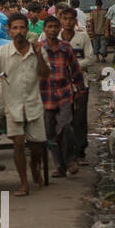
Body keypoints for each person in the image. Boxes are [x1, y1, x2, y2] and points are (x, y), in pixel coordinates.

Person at [0, 12, 50, 197]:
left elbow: (45, 74)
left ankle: (35, 168)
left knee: (37, 147)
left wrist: (39, 54)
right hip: (13, 105)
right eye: (15, 28)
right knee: (18, 143)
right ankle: (24, 183)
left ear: (27, 30)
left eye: (22, 27)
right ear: (9, 31)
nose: (19, 31)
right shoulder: (2, 52)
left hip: (33, 104)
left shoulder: (37, 51)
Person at [35, 15, 83, 178]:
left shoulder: (66, 48)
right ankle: (59, 165)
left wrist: (80, 89)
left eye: (55, 27)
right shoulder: (38, 49)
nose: (53, 30)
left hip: (64, 93)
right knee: (50, 133)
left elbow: (75, 70)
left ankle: (70, 160)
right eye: (49, 27)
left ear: (59, 28)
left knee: (65, 126)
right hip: (45, 94)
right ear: (44, 29)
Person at [59, 7, 96, 168]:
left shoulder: (83, 37)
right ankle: (65, 154)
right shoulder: (54, 37)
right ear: (60, 20)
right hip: (59, 86)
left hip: (81, 83)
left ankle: (80, 152)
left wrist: (72, 66)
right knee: (63, 121)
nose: (67, 22)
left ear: (75, 21)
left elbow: (90, 58)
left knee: (79, 120)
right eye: (64, 19)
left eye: (70, 19)